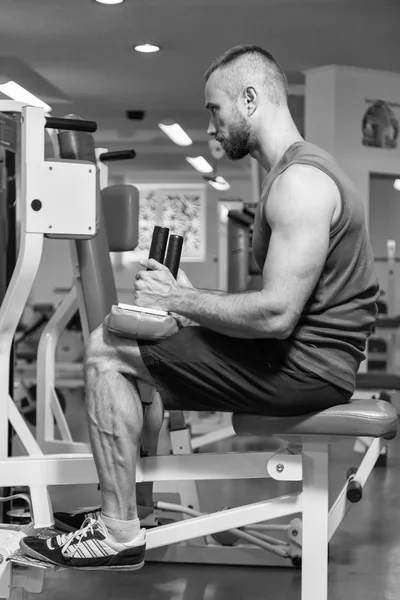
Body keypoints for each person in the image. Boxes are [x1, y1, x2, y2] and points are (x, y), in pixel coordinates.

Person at [20, 44, 379, 570]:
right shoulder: (291, 175)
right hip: (306, 360)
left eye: (216, 109)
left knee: (104, 349)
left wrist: (178, 298)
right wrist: (195, 307)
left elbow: (278, 315)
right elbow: (282, 308)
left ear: (251, 98)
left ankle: (118, 531)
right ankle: (121, 506)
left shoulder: (301, 184)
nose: (209, 126)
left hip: (306, 370)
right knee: (145, 338)